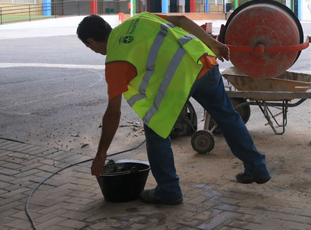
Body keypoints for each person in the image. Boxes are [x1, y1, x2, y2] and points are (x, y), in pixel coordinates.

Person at [77, 12, 270, 205]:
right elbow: (181, 20)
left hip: (177, 83)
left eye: (89, 46)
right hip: (201, 62)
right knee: (227, 117)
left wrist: (101, 154)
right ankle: (257, 168)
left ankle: (168, 190)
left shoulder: (115, 60)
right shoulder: (140, 18)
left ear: (91, 41)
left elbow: (113, 113)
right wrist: (214, 43)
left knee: (155, 130)